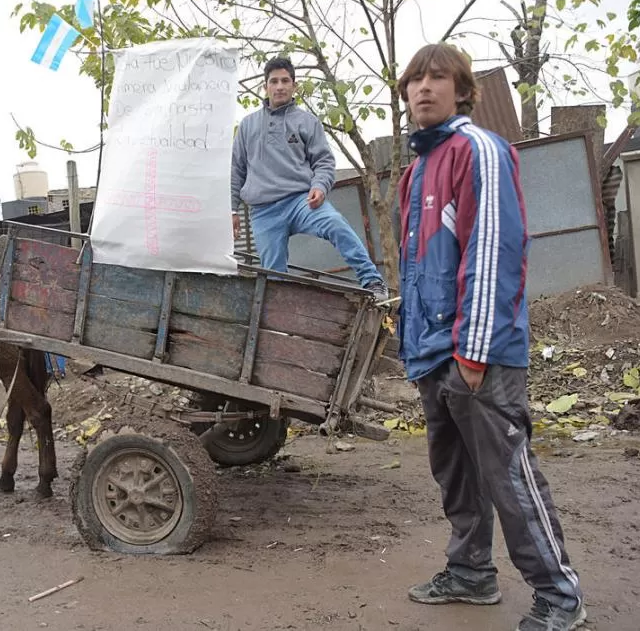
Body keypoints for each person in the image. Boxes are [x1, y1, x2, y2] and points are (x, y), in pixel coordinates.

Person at [395, 43, 586, 631]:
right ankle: (471, 573)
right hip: (433, 353)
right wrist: (414, 345)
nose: (423, 88)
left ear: (462, 91)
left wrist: (473, 350)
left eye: (437, 78)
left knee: (507, 474)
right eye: (414, 80)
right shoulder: (415, 170)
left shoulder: (478, 149)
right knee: (456, 473)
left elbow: (494, 251)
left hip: (476, 352)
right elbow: (414, 265)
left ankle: (559, 596)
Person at [230, 57, 388, 300]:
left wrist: (320, 187)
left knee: (336, 224)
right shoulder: (247, 126)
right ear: (266, 87)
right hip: (264, 212)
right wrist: (232, 210)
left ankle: (372, 281)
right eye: (274, 81)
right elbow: (237, 171)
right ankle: (280, 324)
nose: (280, 86)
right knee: (272, 277)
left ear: (294, 85)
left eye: (285, 81)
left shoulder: (307, 122)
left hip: (302, 201)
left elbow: (324, 162)